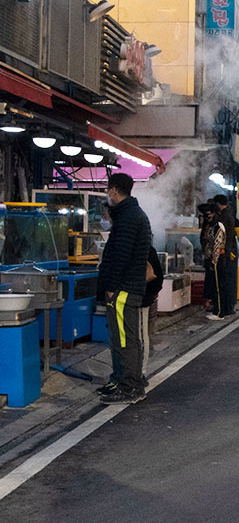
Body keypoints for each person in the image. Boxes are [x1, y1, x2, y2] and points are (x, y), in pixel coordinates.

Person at [96, 173, 153, 404]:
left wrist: (111, 286)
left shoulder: (129, 217)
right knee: (128, 338)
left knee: (124, 340)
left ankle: (128, 386)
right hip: (129, 287)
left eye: (108, 190)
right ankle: (127, 381)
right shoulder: (132, 214)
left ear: (113, 191)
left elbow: (121, 256)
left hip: (123, 289)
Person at [214, 194, 239, 317]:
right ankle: (231, 306)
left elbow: (224, 237)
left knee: (226, 282)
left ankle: (226, 308)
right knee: (231, 281)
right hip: (231, 252)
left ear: (218, 204)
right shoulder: (232, 216)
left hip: (227, 253)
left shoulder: (223, 217)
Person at [141, 245, 164, 380]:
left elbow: (157, 277)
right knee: (140, 335)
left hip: (140, 299)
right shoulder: (148, 248)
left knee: (140, 336)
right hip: (138, 298)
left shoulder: (146, 249)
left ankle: (139, 373)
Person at [199, 201, 226, 320]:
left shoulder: (218, 226)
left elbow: (217, 244)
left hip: (217, 259)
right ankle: (216, 310)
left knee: (218, 286)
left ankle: (219, 312)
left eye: (209, 215)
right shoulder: (208, 226)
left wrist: (214, 261)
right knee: (213, 286)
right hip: (210, 258)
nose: (207, 218)